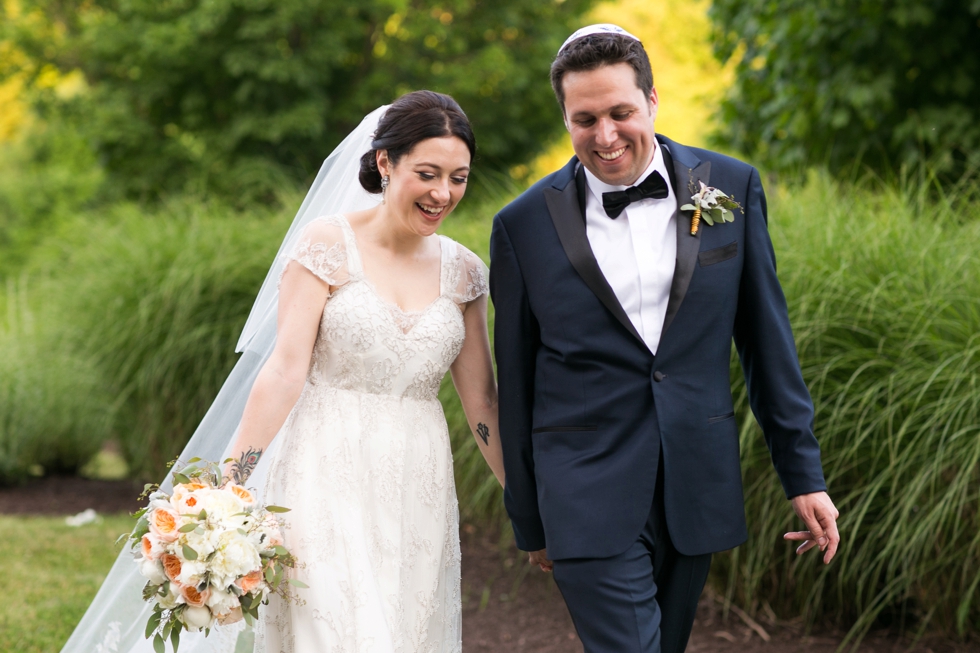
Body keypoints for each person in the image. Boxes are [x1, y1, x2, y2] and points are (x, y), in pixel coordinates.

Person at [60, 90, 504, 653]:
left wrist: (524, 503)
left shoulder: (465, 273)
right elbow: (284, 372)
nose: (443, 193)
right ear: (386, 163)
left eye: (458, 178)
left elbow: (482, 401)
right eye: (428, 173)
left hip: (417, 480)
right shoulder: (326, 246)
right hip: (322, 468)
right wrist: (224, 493)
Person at [489, 24, 840, 653]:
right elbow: (515, 383)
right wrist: (530, 518)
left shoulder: (729, 189)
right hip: (583, 492)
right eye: (584, 118)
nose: (605, 136)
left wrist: (803, 474)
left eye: (621, 112)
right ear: (564, 118)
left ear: (652, 100)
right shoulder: (521, 226)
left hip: (693, 483)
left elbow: (766, 343)